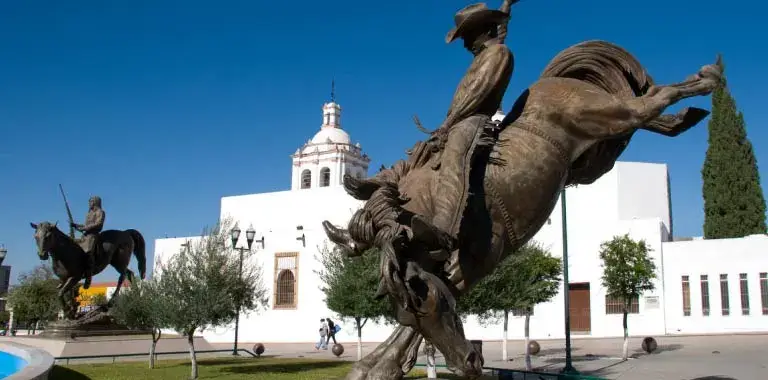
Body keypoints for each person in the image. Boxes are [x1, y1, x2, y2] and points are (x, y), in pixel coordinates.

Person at [412, 0, 517, 257]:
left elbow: (478, 93)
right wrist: (505, 6)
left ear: (484, 30)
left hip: (472, 121)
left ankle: (443, 231)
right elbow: (501, 30)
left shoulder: (497, 55)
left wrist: (447, 124)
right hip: (459, 120)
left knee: (454, 159)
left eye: (468, 35)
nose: (465, 43)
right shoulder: (488, 53)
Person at [70, 195, 106, 289]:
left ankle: (88, 278)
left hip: (93, 236)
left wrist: (85, 228)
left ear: (95, 202)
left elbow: (98, 224)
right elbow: (85, 225)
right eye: (89, 202)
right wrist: (76, 225)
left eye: (91, 202)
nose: (89, 204)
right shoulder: (88, 213)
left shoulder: (100, 212)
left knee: (88, 253)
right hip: (85, 236)